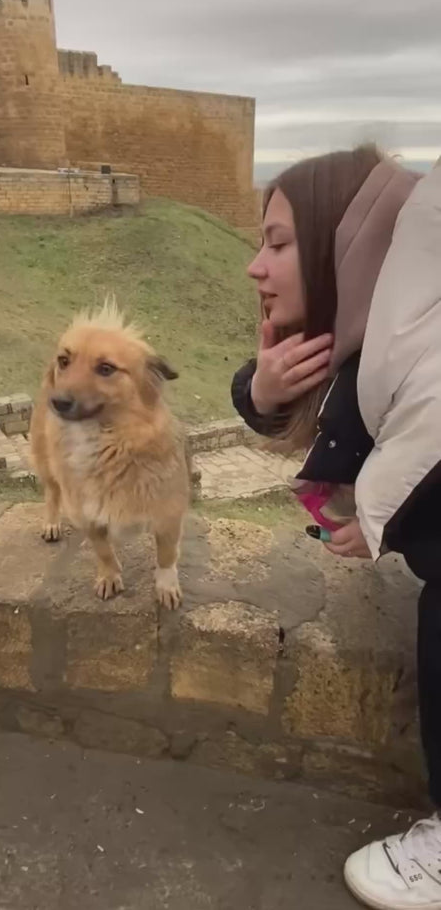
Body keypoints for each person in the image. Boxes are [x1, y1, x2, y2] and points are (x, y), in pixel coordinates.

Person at [231, 144, 441, 910]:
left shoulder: (411, 349)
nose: (255, 266)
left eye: (278, 243)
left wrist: (380, 515)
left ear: (337, 248)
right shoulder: (371, 329)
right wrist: (263, 389)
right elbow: (327, 411)